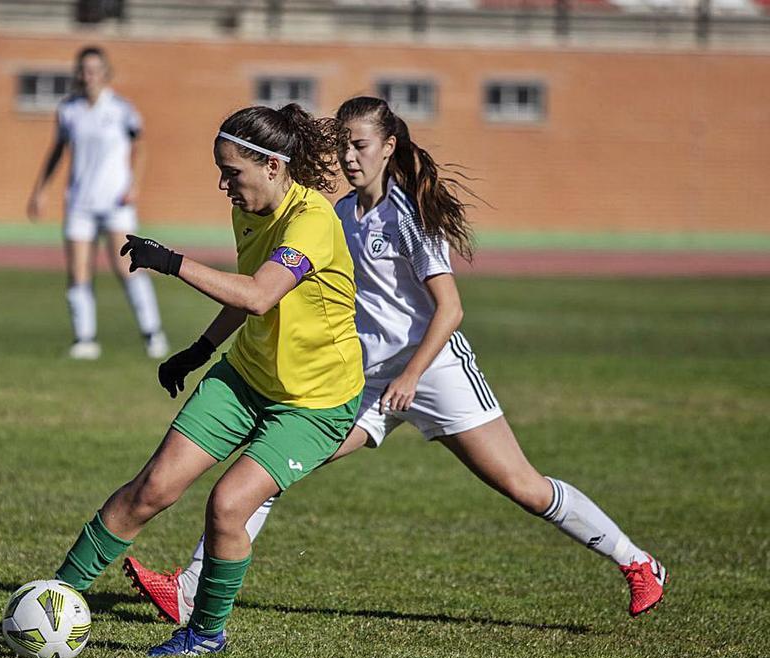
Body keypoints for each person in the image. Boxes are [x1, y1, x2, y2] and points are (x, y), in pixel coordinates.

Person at [123, 95, 666, 627]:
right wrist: (203, 348)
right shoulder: (335, 213)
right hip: (365, 382)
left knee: (524, 487)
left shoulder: (409, 215)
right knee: (268, 470)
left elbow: (450, 309)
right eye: (343, 148)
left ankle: (638, 563)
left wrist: (410, 376)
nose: (349, 158)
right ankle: (191, 593)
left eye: (360, 146)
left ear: (389, 146)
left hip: (435, 372)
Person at [52, 104, 364, 657]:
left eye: (232, 173)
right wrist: (197, 352)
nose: (223, 184)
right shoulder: (250, 209)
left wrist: (172, 264)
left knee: (227, 505)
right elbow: (245, 295)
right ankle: (54, 599)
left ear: (273, 167)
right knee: (153, 487)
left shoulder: (311, 221)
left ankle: (204, 634)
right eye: (220, 171)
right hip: (245, 376)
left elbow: (260, 293)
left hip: (314, 403)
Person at [26, 45, 168, 360]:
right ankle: (85, 340)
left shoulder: (121, 109)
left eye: (94, 70)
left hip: (116, 202)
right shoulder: (69, 110)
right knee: (78, 271)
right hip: (79, 203)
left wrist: (135, 185)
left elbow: (140, 148)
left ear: (105, 74)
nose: (87, 76)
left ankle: (153, 334)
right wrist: (40, 190)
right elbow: (57, 151)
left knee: (127, 266)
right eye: (83, 70)